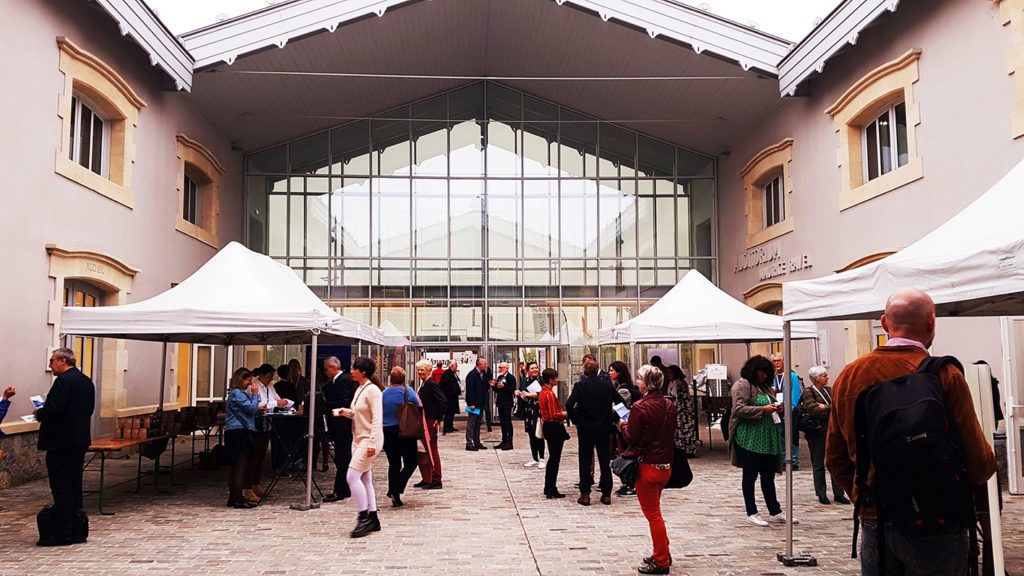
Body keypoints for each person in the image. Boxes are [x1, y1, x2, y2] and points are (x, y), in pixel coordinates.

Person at [826, 288, 997, 575]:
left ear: (884, 323)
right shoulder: (945, 375)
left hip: (876, 516)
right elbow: (979, 464)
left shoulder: (850, 375)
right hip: (937, 520)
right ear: (931, 322)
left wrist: (863, 496)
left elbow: (834, 457)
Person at [619, 364, 677, 575]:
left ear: (647, 383)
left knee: (653, 515)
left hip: (647, 466)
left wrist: (623, 424)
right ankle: (663, 552)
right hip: (665, 465)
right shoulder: (670, 405)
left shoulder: (640, 407)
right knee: (656, 512)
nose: (637, 382)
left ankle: (661, 560)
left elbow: (631, 437)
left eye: (640, 379)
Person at [35, 347, 95, 546]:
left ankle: (63, 533)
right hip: (79, 440)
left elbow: (54, 410)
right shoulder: (86, 381)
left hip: (61, 442)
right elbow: (89, 409)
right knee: (74, 484)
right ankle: (77, 530)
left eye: (52, 361)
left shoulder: (63, 381)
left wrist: (38, 413)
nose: (50, 365)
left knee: (61, 486)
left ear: (63, 361)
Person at [728, 355, 793, 527]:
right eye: (762, 372)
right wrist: (762, 409)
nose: (765, 375)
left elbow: (772, 406)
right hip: (750, 438)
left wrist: (778, 409)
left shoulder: (765, 387)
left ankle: (775, 510)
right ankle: (751, 511)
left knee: (768, 476)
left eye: (767, 372)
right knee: (750, 476)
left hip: (768, 438)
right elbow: (738, 409)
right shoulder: (742, 385)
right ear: (754, 371)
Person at [335, 356, 384, 538]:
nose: (351, 372)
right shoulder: (360, 390)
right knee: (364, 479)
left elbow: (377, 419)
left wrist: (372, 442)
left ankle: (364, 517)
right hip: (359, 439)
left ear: (363, 371)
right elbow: (357, 413)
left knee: (352, 476)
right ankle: (373, 517)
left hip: (368, 440)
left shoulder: (373, 391)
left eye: (354, 369)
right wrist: (344, 412)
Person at [566, 358, 618, 506]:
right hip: (603, 427)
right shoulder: (607, 386)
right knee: (604, 460)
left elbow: (569, 404)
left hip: (585, 427)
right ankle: (606, 493)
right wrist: (613, 417)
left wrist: (576, 419)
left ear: (584, 372)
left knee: (585, 459)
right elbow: (621, 402)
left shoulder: (580, 385)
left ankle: (585, 493)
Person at [799, 366, 849, 505]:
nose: (827, 377)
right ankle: (821, 492)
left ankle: (839, 492)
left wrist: (826, 407)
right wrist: (829, 409)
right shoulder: (809, 392)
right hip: (817, 432)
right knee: (818, 463)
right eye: (824, 376)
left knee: (835, 461)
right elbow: (813, 410)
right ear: (816, 378)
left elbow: (838, 405)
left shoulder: (829, 390)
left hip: (831, 430)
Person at [381, 367, 421, 508]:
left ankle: (395, 497)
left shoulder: (383, 393)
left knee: (394, 464)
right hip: (405, 431)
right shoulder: (407, 391)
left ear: (390, 379)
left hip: (387, 432)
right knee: (411, 462)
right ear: (403, 379)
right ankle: (395, 489)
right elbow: (419, 405)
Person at [224, 367, 260, 510]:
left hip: (236, 430)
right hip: (238, 431)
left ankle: (233, 497)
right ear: (241, 379)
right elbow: (251, 408)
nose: (249, 384)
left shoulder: (236, 393)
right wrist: (255, 396)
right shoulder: (237, 393)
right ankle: (238, 498)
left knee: (236, 466)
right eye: (248, 380)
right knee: (240, 466)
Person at [321, 357, 354, 502]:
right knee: (342, 458)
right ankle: (343, 488)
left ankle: (340, 489)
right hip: (339, 425)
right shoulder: (337, 381)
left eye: (326, 369)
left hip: (343, 425)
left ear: (333, 368)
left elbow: (344, 402)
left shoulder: (343, 380)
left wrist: (326, 405)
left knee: (342, 458)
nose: (325, 372)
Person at [413, 359, 446, 489]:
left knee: (432, 450)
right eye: (418, 370)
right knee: (425, 450)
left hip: (430, 420)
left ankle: (436, 479)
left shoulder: (431, 383)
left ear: (429, 370)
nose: (419, 372)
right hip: (425, 420)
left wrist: (438, 418)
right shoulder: (425, 383)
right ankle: (428, 478)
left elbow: (443, 401)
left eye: (422, 370)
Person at [539, 368, 569, 499]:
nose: (558, 380)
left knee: (553, 457)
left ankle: (549, 486)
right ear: (550, 380)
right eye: (556, 378)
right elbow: (554, 415)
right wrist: (566, 414)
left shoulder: (543, 392)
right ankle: (551, 487)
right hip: (553, 427)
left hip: (548, 426)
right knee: (554, 458)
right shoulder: (549, 394)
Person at [610, 361, 638, 496]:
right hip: (623, 426)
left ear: (619, 373)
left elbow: (620, 409)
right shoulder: (619, 387)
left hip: (624, 426)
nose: (609, 373)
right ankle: (627, 483)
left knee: (626, 453)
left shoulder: (623, 390)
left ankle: (630, 483)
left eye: (612, 370)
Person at [770, 352, 802, 469]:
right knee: (780, 435)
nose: (776, 363)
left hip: (789, 410)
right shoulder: (772, 377)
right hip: (776, 410)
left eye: (778, 361)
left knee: (791, 435)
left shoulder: (791, 376)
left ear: (784, 362)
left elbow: (795, 394)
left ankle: (793, 460)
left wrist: (789, 408)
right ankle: (783, 458)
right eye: (774, 361)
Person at [516, 361, 545, 468]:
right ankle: (534, 458)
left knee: (539, 434)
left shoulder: (542, 380)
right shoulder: (524, 380)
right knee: (531, 434)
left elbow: (544, 393)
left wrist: (530, 394)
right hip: (528, 410)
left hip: (538, 410)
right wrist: (518, 393)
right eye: (532, 368)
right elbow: (521, 390)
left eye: (536, 368)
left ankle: (542, 458)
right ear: (528, 370)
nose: (534, 370)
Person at [666, 365, 698, 458]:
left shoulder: (680, 383)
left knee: (684, 429)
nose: (668, 375)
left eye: (670, 372)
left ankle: (687, 449)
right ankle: (680, 448)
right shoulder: (671, 383)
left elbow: (681, 397)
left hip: (684, 409)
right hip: (677, 408)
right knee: (678, 429)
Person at [464, 358, 490, 451]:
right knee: (471, 423)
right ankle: (469, 443)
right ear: (479, 364)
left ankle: (477, 442)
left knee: (478, 423)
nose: (486, 365)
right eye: (484, 364)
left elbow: (484, 388)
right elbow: (470, 390)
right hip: (474, 404)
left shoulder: (482, 374)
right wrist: (471, 403)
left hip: (480, 403)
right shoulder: (472, 375)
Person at [493, 361, 517, 450]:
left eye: (501, 367)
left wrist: (504, 386)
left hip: (507, 403)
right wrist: (493, 386)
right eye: (499, 367)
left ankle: (509, 442)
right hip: (500, 402)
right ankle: (504, 440)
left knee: (507, 422)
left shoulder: (511, 378)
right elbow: (497, 389)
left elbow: (512, 389)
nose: (499, 369)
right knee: (502, 423)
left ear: (507, 368)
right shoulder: (500, 377)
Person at [440, 361, 461, 434]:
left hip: (452, 397)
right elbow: (446, 386)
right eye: (456, 365)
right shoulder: (447, 374)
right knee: (448, 413)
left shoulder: (452, 373)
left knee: (452, 412)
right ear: (452, 366)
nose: (457, 367)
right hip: (449, 397)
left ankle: (450, 426)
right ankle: (446, 427)